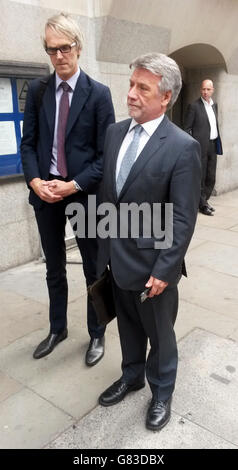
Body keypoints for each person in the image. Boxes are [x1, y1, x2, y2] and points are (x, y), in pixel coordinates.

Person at [97, 52, 201, 431]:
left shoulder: (182, 146)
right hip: (117, 259)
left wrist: (165, 269)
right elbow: (111, 196)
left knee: (160, 334)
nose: (131, 95)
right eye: (130, 85)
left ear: (166, 97)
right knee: (126, 325)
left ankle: (161, 390)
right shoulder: (114, 134)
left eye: (143, 88)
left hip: (154, 267)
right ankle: (131, 375)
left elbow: (183, 215)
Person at [20, 12, 115, 365]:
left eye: (65, 48)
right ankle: (57, 328)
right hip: (46, 195)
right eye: (51, 49)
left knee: (94, 268)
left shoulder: (98, 95)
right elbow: (28, 143)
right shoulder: (39, 90)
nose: (58, 56)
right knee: (54, 267)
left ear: (78, 47)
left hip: (84, 196)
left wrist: (73, 183)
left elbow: (106, 156)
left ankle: (96, 333)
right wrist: (34, 181)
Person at [184, 79, 223, 216]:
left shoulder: (214, 105)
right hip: (200, 147)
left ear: (213, 90)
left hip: (213, 145)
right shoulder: (194, 106)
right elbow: (187, 129)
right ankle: (202, 205)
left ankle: (203, 201)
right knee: (200, 177)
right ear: (201, 90)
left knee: (211, 177)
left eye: (208, 89)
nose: (205, 92)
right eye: (203, 89)